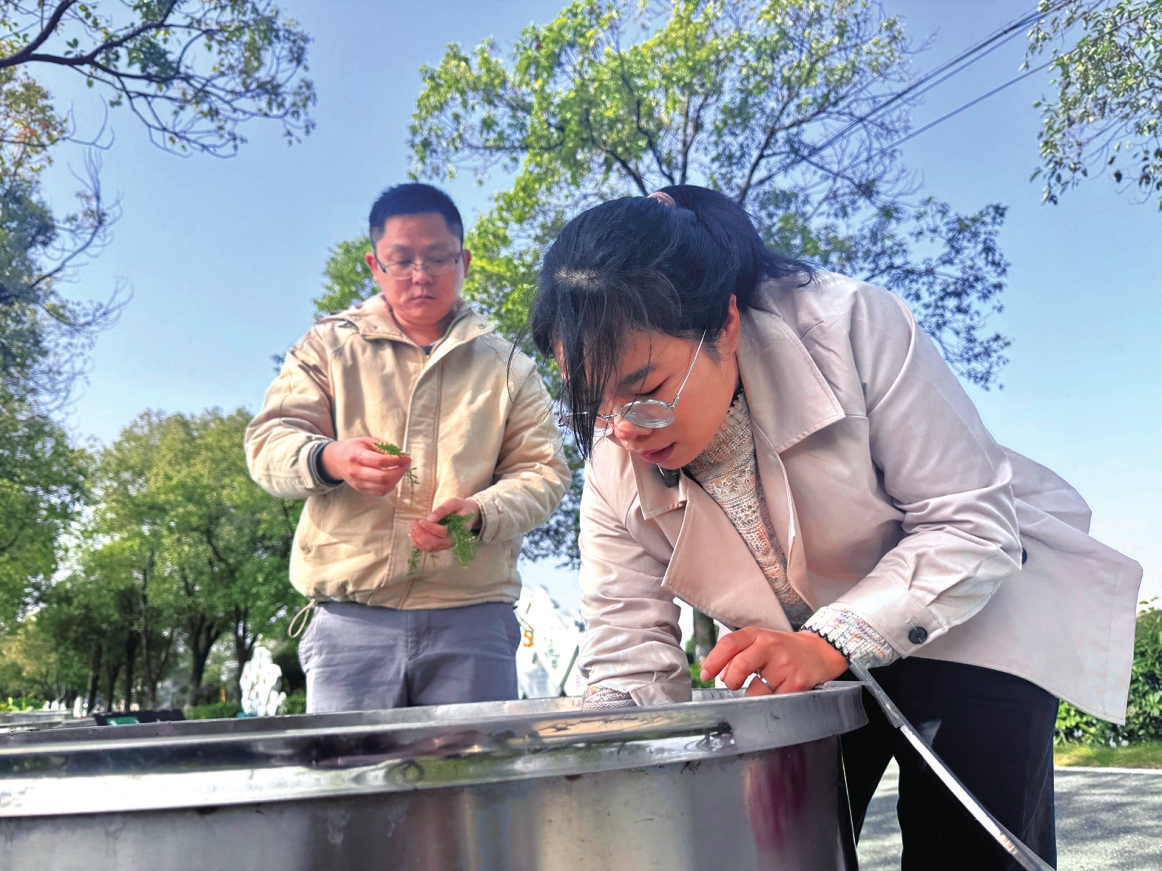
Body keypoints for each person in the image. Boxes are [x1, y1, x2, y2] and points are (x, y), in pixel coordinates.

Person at [528, 185, 1141, 869]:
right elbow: (628, 648)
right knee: (777, 847)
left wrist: (829, 642)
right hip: (810, 668)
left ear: (723, 324)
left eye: (645, 391)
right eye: (593, 404)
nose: (624, 430)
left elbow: (969, 521)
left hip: (970, 618)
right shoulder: (613, 461)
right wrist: (601, 747)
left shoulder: (850, 326)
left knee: (968, 852)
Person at [246, 183, 570, 713]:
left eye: (438, 258)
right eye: (401, 261)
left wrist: (480, 513)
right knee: (351, 768)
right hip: (351, 620)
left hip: (473, 616)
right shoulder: (327, 347)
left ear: (464, 261)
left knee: (474, 768)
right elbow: (268, 443)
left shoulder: (509, 367)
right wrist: (331, 459)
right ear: (375, 266)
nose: (421, 275)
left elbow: (544, 473)